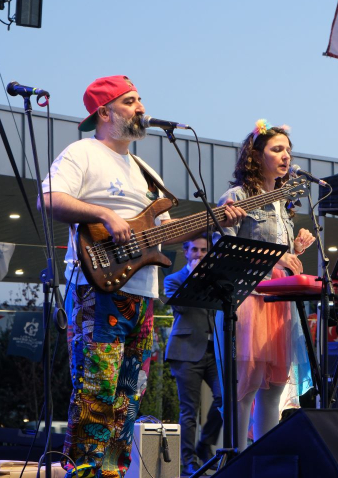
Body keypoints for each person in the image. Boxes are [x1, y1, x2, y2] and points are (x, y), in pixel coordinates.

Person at [39, 75, 245, 478]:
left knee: (129, 395)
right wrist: (104, 213)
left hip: (141, 293)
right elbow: (49, 198)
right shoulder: (83, 152)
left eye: (139, 100)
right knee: (97, 389)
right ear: (104, 112)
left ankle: (113, 472)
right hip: (96, 289)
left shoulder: (144, 169)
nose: (141, 107)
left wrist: (217, 219)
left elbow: (164, 231)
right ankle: (84, 472)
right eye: (130, 101)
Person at [216, 119, 315, 451]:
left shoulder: (283, 202)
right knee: (244, 389)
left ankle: (263, 462)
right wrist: (275, 259)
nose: (286, 156)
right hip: (249, 299)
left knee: (273, 391)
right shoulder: (237, 197)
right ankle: (237, 461)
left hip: (279, 301)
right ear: (256, 156)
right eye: (277, 149)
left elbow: (278, 254)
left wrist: (294, 250)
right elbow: (224, 251)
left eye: (288, 150)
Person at [164, 235, 222, 476]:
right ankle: (188, 461)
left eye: (204, 250)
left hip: (213, 350)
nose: (199, 254)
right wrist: (196, 278)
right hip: (185, 351)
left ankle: (205, 443)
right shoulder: (174, 279)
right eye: (195, 250)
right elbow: (182, 307)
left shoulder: (215, 279)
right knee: (189, 410)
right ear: (186, 252)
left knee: (225, 399)